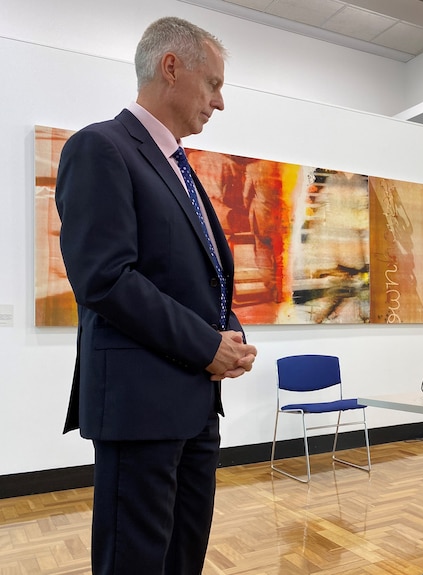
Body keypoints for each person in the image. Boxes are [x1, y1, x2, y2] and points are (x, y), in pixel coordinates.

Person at [55, 17, 258, 575]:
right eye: (213, 84)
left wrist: (230, 332)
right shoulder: (101, 147)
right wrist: (205, 345)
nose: (219, 103)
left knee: (183, 560)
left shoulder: (180, 169)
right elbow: (105, 279)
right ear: (172, 67)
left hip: (195, 405)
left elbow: (196, 275)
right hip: (141, 407)